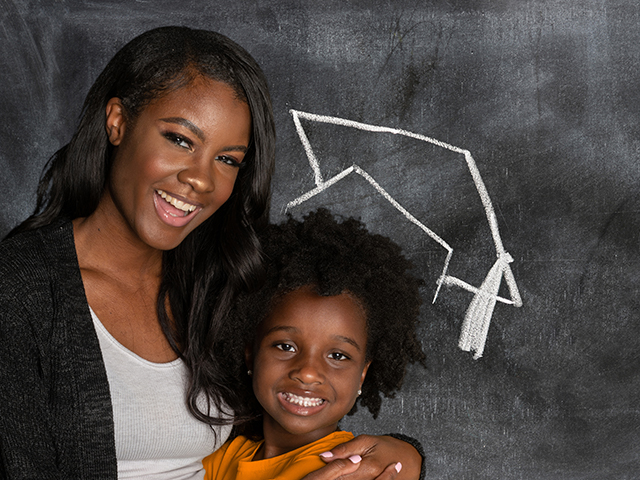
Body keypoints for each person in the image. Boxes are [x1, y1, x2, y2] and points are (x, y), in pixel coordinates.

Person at [0, 26, 423, 479]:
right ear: (118, 122)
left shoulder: (218, 286)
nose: (201, 180)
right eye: (180, 140)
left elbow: (287, 421)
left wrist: (403, 454)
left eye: (227, 159)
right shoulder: (20, 291)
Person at [203, 209, 426, 480]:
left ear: (363, 374)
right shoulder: (223, 454)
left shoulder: (353, 473)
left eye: (338, 355)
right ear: (250, 353)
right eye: (285, 346)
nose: (307, 372)